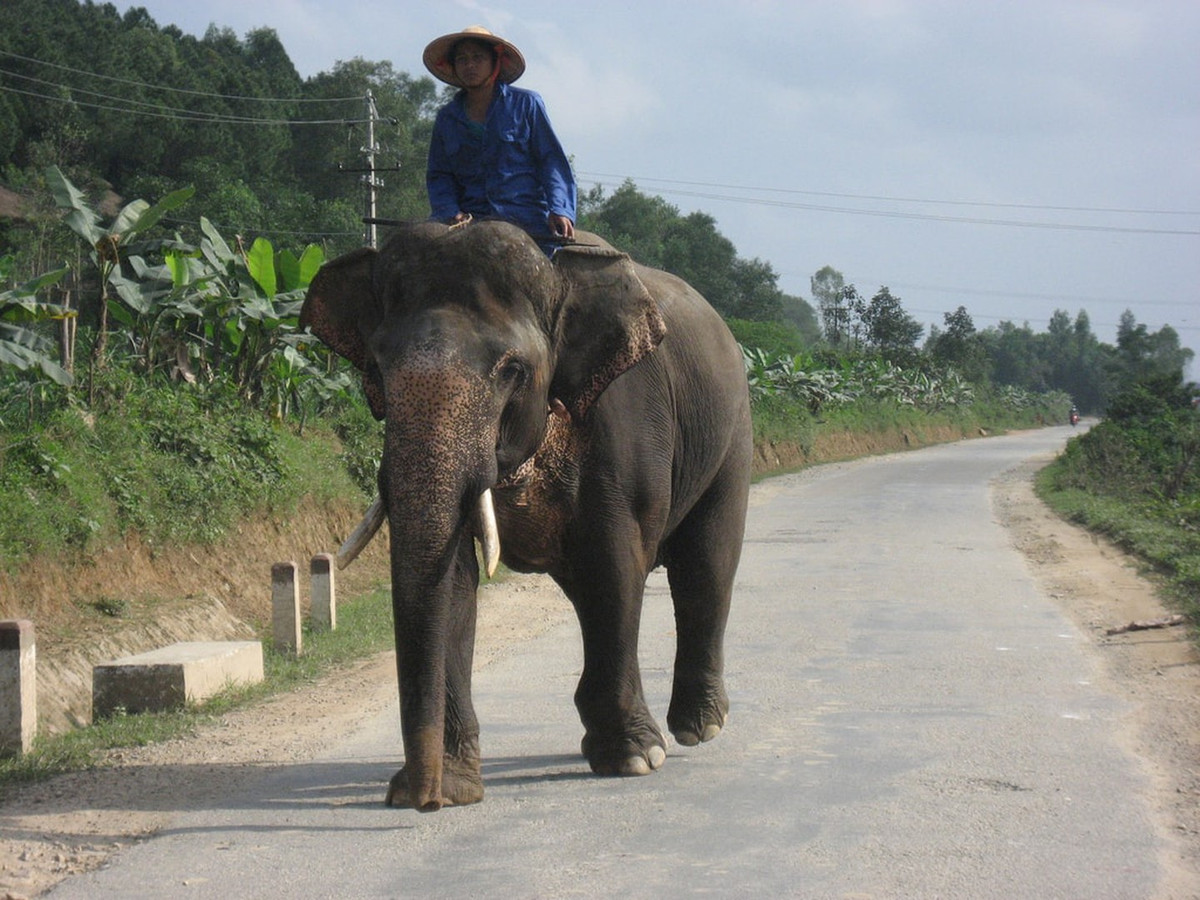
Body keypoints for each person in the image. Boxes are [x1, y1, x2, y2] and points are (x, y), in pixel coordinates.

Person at [423, 26, 576, 255]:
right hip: (469, 226)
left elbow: (550, 161)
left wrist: (560, 209)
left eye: (478, 57)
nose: (470, 65)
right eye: (462, 59)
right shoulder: (447, 118)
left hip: (527, 224)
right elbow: (439, 175)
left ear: (495, 62)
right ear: (453, 67)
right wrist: (450, 212)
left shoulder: (526, 105)